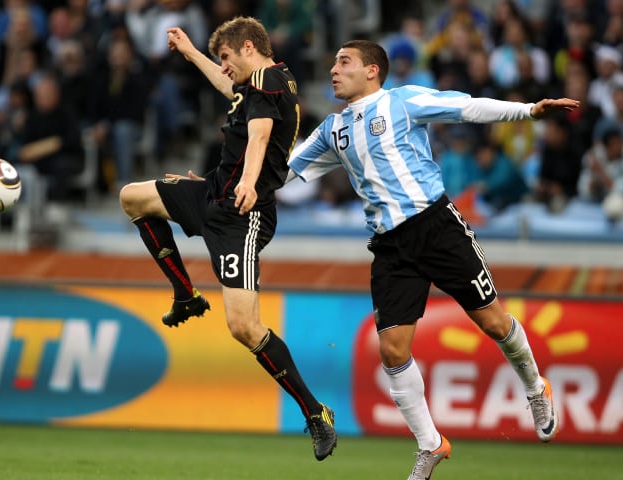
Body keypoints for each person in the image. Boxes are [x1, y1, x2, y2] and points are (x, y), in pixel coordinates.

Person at [287, 39, 580, 480]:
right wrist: (227, 181)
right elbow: (283, 170)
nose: (332, 69)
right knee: (391, 349)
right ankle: (430, 444)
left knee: (494, 323)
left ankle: (536, 388)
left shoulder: (402, 102)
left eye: (343, 61)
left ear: (372, 71)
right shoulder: (332, 129)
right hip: (389, 246)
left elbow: (468, 108)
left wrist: (528, 111)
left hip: (436, 227)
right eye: (332, 62)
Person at [118, 16, 337, 461]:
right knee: (132, 198)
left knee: (243, 326)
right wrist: (193, 51)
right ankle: (185, 293)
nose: (224, 68)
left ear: (249, 47)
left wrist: (250, 182)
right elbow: (229, 93)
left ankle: (316, 413)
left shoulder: (266, 77)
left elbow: (259, 137)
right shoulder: (264, 83)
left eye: (225, 57)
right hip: (215, 191)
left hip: (243, 212)